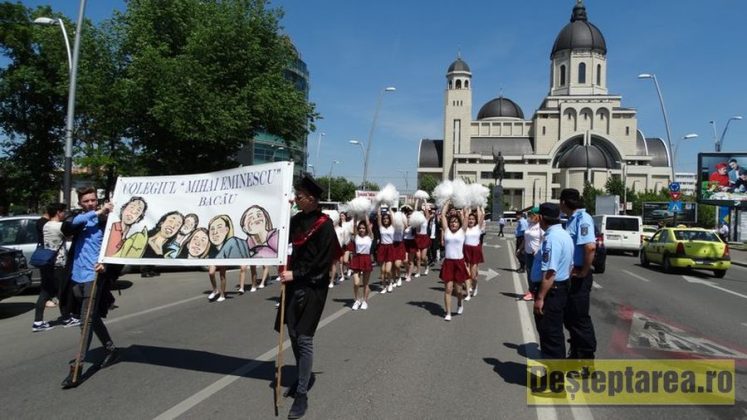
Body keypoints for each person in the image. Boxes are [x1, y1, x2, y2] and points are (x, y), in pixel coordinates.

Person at [276, 174, 341, 419]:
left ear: (312, 199)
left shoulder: (325, 226)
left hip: (313, 287)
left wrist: (296, 273)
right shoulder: (295, 221)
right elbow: (282, 243)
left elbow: (323, 263)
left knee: (304, 338)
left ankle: (302, 394)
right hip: (293, 285)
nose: (296, 199)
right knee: (293, 335)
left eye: (300, 196)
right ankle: (302, 377)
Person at [61, 187, 119, 389]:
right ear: (80, 203)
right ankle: (111, 349)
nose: (90, 203)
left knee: (85, 322)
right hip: (75, 277)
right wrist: (96, 212)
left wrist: (106, 265)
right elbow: (67, 227)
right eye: (86, 201)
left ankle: (77, 368)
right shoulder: (79, 219)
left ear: (97, 200)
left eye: (93, 200)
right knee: (91, 318)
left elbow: (117, 247)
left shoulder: (107, 221)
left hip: (94, 277)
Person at [559, 188, 597, 363]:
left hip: (579, 275)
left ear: (564, 202)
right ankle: (575, 353)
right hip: (571, 274)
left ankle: (586, 360)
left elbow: (590, 247)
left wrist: (583, 271)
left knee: (579, 318)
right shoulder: (571, 219)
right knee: (570, 317)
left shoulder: (583, 219)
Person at [532, 202, 573, 360]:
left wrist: (541, 297)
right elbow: (569, 266)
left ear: (542, 218)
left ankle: (554, 373)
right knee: (554, 333)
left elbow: (550, 271)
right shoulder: (564, 234)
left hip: (551, 291)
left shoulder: (552, 238)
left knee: (549, 334)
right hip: (560, 288)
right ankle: (556, 370)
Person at [32, 203, 68, 332]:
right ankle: (66, 317)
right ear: (58, 212)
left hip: (46, 261)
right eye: (63, 211)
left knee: (45, 291)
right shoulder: (54, 225)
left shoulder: (43, 224)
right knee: (62, 290)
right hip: (55, 262)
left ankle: (38, 321)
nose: (65, 214)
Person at [439, 200, 469, 321]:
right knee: (448, 289)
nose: (453, 223)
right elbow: (442, 215)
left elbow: (466, 216)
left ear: (459, 223)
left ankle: (460, 303)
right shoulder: (446, 231)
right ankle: (448, 313)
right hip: (448, 263)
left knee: (458, 290)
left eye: (456, 221)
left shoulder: (462, 231)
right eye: (451, 221)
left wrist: (463, 201)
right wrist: (448, 201)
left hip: (459, 263)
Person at [519, 207, 543, 301]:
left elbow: (544, 240)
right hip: (528, 252)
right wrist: (520, 248)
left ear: (538, 215)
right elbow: (526, 238)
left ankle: (534, 292)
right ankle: (531, 290)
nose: (530, 216)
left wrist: (538, 250)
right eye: (530, 215)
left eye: (532, 215)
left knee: (534, 274)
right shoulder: (530, 224)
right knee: (529, 272)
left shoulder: (541, 226)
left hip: (536, 254)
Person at [349, 218, 373, 310]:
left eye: (363, 228)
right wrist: (355, 215)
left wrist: (366, 214)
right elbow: (355, 225)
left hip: (366, 259)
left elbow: (368, 225)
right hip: (357, 259)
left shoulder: (370, 236)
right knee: (356, 283)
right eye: (360, 228)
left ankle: (365, 301)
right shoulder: (356, 237)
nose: (361, 230)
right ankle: (357, 300)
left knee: (365, 283)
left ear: (366, 229)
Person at [463, 207, 485, 300]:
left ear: (475, 220)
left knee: (473, 276)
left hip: (475, 251)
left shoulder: (478, 227)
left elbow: (482, 215)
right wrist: (467, 207)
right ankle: (468, 294)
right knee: (466, 274)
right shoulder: (465, 228)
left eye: (473, 219)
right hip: (466, 250)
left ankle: (475, 286)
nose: (471, 220)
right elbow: (464, 215)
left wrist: (479, 206)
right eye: (469, 219)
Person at [376, 207, 396, 293]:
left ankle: (390, 283)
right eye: (384, 218)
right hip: (382, 248)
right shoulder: (381, 227)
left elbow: (392, 216)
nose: (385, 219)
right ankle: (384, 287)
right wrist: (379, 205)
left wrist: (389, 206)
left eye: (387, 218)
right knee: (383, 270)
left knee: (388, 270)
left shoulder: (392, 227)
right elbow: (379, 216)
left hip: (390, 248)